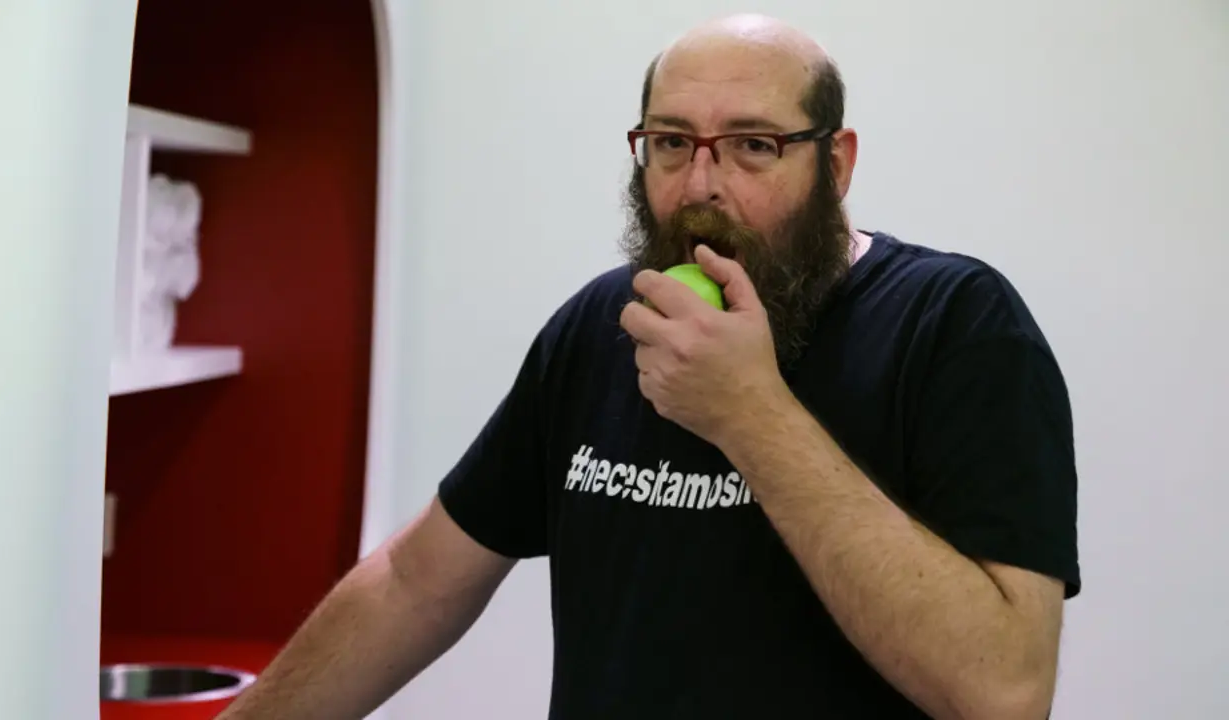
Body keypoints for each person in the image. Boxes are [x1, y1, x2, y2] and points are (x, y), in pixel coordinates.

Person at [218, 13, 1080, 720]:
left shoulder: (954, 325)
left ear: (837, 161)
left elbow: (1001, 691)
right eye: (672, 142)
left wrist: (753, 416)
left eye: (753, 146)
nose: (703, 184)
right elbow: (414, 583)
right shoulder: (602, 326)